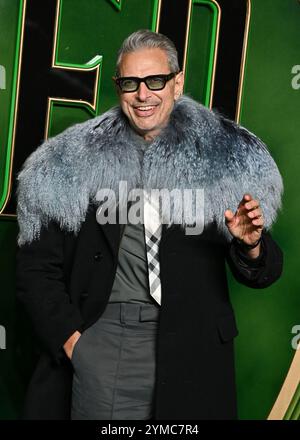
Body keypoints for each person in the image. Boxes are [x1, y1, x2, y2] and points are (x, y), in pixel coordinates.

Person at [16, 29, 283, 420]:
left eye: (155, 81)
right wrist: (75, 343)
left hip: (194, 347)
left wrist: (250, 245)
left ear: (177, 84)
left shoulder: (222, 158)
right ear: (118, 87)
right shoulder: (71, 161)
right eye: (131, 83)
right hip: (106, 341)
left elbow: (265, 273)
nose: (143, 95)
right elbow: (36, 267)